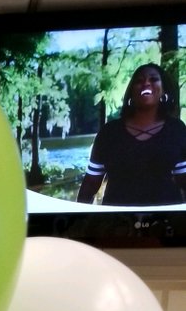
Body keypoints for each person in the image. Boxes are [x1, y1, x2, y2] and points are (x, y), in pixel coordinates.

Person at [76, 62, 186, 206]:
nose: (146, 83)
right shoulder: (109, 132)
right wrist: (79, 217)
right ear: (131, 91)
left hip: (166, 217)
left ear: (164, 91)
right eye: (139, 81)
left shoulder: (176, 130)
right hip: (116, 218)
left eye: (153, 79)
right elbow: (90, 184)